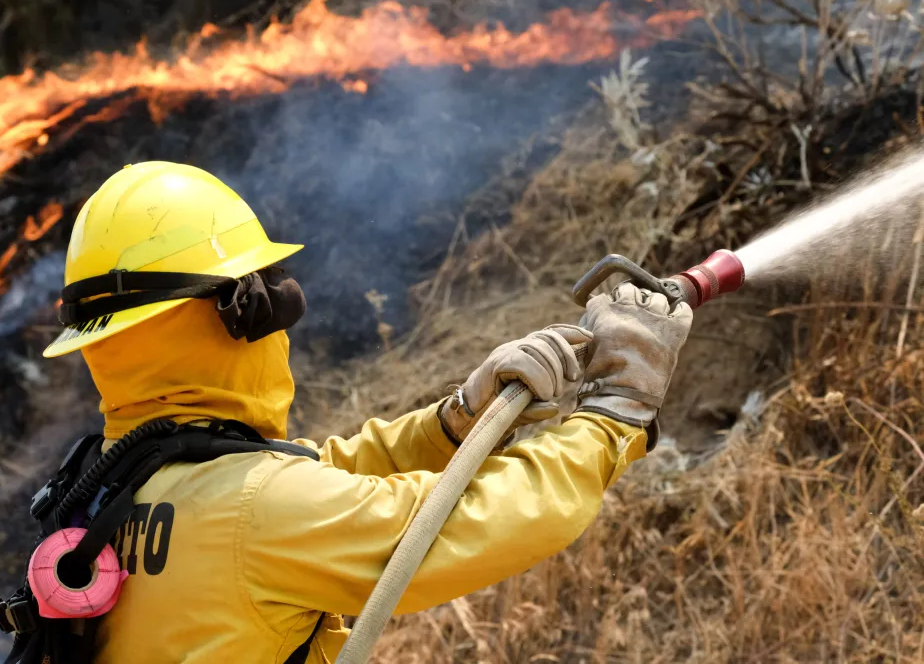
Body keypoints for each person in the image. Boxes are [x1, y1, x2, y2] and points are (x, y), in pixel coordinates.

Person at [42, 161, 693, 663]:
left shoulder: (108, 486)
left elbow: (320, 475)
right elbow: (466, 525)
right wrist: (615, 413)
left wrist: (457, 420)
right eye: (271, 295)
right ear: (235, 314)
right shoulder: (254, 512)